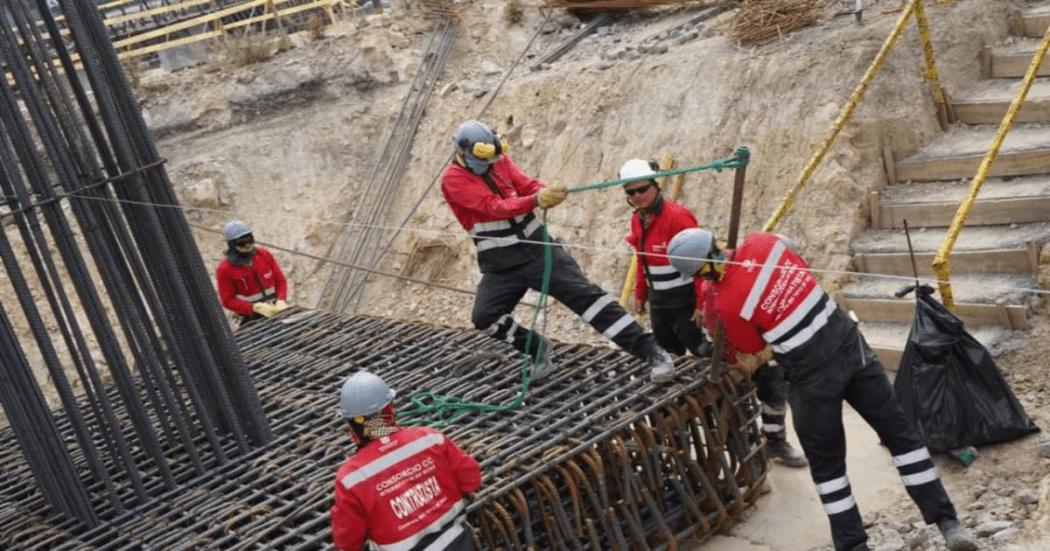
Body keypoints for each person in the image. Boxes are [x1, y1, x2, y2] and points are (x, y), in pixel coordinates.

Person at [666, 228, 977, 551]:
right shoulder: (764, 242)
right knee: (903, 437)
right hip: (852, 351)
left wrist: (714, 312)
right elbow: (791, 257)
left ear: (698, 273)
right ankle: (948, 523)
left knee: (829, 469)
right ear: (715, 241)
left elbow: (752, 349)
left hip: (811, 379)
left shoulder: (726, 306)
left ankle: (853, 545)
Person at [440, 120, 675, 382]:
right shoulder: (453, 180)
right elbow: (494, 207)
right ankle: (536, 347)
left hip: (539, 251)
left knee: (590, 300)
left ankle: (652, 352)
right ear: (463, 153)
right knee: (485, 317)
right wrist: (535, 200)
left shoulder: (499, 160)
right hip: (501, 265)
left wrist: (544, 191)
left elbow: (526, 184)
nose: (494, 162)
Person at [620, 158, 805, 468]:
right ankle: (679, 437)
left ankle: (772, 441)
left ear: (656, 185)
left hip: (688, 307)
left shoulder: (679, 219)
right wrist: (642, 293)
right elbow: (642, 258)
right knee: (672, 369)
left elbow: (697, 265)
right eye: (632, 192)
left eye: (643, 189)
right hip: (662, 307)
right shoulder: (639, 220)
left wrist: (699, 307)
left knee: (734, 372)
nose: (638, 196)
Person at [331, 371, 482, 551]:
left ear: (352, 424)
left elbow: (347, 541)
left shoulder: (350, 478)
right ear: (389, 409)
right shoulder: (430, 439)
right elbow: (471, 479)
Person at [215, 220, 290, 324]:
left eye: (249, 241)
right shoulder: (224, 269)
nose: (247, 245)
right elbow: (227, 300)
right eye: (242, 243)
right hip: (251, 318)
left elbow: (280, 280)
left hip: (275, 309)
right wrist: (253, 307)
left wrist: (281, 300)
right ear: (232, 244)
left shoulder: (264, 255)